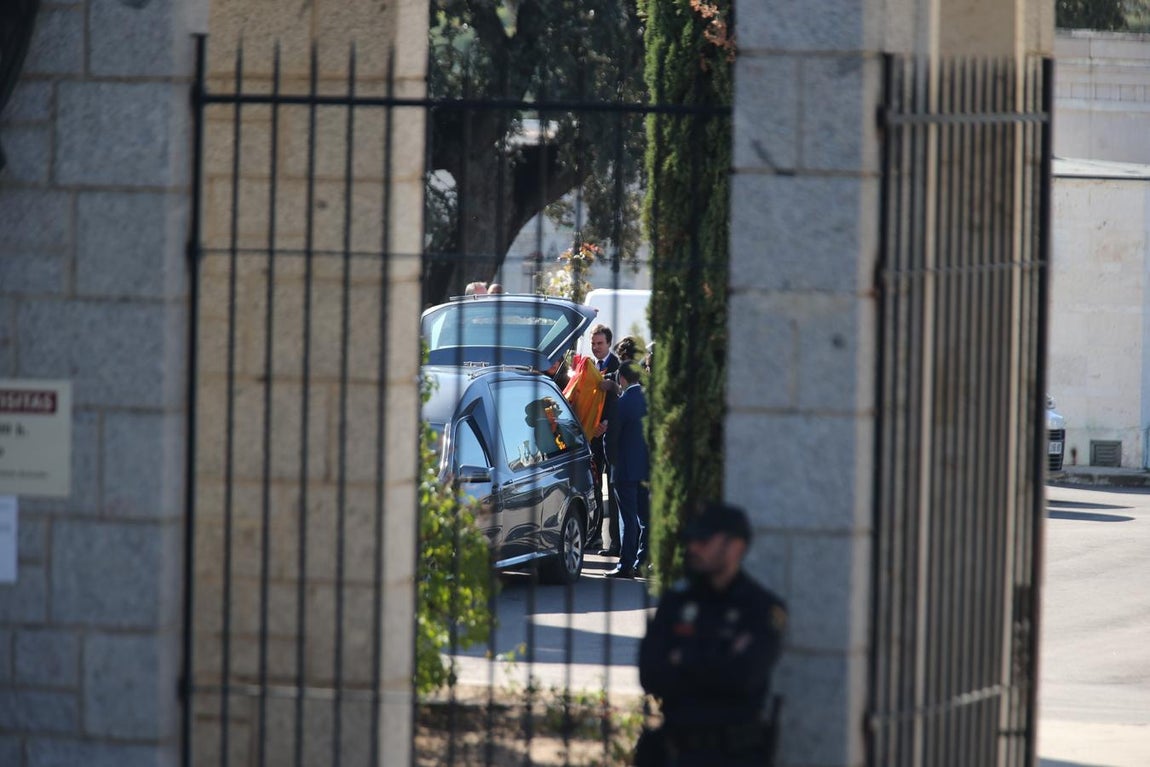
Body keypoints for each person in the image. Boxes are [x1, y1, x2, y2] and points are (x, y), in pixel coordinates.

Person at [638, 502, 787, 766]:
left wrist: (681, 659)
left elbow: (744, 677)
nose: (693, 548)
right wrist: (718, 659)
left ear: (736, 547)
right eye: (691, 539)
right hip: (677, 752)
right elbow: (650, 673)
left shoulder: (761, 609)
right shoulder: (677, 601)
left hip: (734, 756)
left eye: (704, 540)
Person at [605, 361, 649, 578]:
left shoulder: (620, 405)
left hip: (624, 470)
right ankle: (642, 561)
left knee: (629, 519)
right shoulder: (650, 402)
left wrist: (612, 463)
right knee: (645, 518)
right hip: (646, 470)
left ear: (621, 378)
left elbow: (610, 440)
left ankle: (626, 565)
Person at [587, 323, 621, 553]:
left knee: (614, 491)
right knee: (596, 488)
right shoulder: (588, 366)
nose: (596, 347)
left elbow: (622, 400)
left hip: (612, 438)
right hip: (593, 440)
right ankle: (596, 535)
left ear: (609, 343)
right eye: (593, 344)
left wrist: (607, 423)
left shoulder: (619, 367)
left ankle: (615, 542)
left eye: (600, 343)